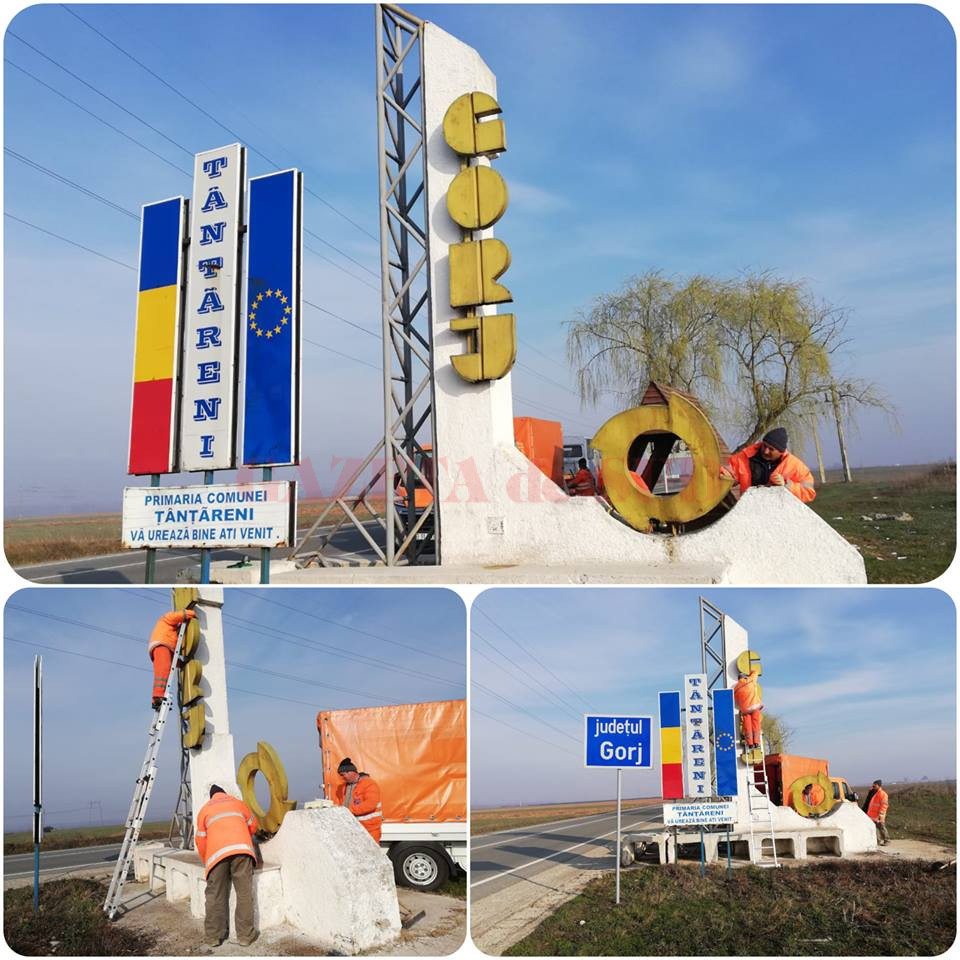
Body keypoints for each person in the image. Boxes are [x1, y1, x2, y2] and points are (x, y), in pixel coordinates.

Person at [195, 785, 259, 947]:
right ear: (225, 793)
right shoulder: (238, 803)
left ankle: (213, 937)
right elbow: (253, 826)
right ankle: (245, 936)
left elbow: (201, 841)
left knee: (215, 895)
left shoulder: (204, 810)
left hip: (217, 856)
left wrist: (207, 862)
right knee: (244, 894)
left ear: (211, 796)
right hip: (242, 851)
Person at [720, 427, 817, 503]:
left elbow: (808, 493)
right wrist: (723, 477)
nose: (766, 451)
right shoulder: (744, 457)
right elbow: (725, 475)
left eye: (771, 449)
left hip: (779, 516)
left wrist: (786, 485)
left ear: (781, 451)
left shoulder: (795, 466)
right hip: (750, 511)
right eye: (764, 446)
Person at [147, 609, 196, 709]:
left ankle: (157, 700)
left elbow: (172, 658)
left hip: (163, 647)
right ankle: (158, 696)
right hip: (161, 644)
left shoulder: (171, 633)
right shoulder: (166, 618)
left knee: (165, 669)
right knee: (163, 670)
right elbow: (178, 616)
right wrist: (192, 613)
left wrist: (181, 664)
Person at [334, 757, 383, 842]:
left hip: (369, 829)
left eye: (343, 774)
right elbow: (341, 803)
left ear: (351, 772)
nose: (342, 777)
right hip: (353, 829)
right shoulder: (343, 787)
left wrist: (349, 811)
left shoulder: (369, 784)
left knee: (370, 850)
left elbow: (370, 805)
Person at [733, 664, 763, 749]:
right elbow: (755, 672)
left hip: (745, 709)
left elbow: (735, 700)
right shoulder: (750, 680)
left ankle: (750, 743)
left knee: (747, 725)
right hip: (755, 706)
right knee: (756, 724)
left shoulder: (736, 688)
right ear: (745, 677)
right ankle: (756, 742)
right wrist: (749, 673)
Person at [863, 779, 890, 845]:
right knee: (875, 828)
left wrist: (881, 814)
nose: (873, 786)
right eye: (873, 784)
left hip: (879, 815)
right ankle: (877, 841)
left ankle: (887, 840)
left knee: (881, 827)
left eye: (875, 785)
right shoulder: (872, 792)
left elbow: (884, 805)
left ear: (879, 785)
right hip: (872, 815)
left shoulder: (883, 794)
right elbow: (868, 803)